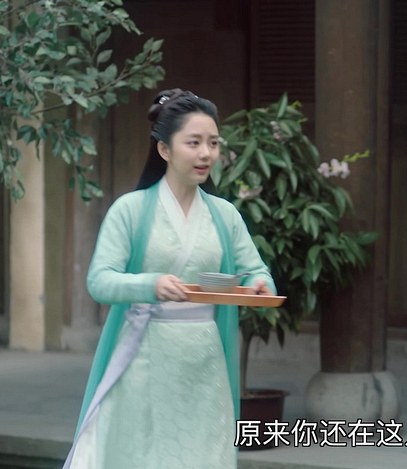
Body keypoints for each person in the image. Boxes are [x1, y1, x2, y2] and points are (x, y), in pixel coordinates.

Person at [63, 89, 275, 468]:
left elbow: (256, 271)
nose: (206, 153)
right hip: (144, 358)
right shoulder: (130, 210)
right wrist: (150, 284)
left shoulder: (225, 214)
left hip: (204, 360)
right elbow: (100, 281)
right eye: (193, 143)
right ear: (164, 149)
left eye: (213, 143)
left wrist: (262, 286)